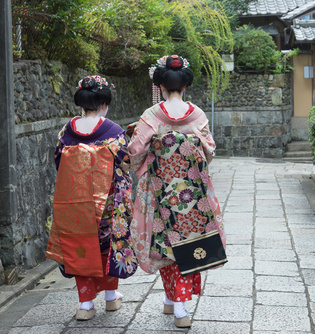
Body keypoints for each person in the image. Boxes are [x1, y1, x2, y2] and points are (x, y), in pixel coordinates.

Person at [128, 55, 226, 328]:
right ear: (185, 86)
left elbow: (135, 150)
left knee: (163, 242)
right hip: (191, 191)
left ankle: (175, 303)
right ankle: (178, 306)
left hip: (158, 190)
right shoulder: (196, 114)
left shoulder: (151, 115)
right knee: (189, 239)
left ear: (159, 85)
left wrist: (148, 164)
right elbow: (209, 150)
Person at [46, 75, 137, 321]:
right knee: (108, 244)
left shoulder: (67, 131)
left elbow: (58, 162)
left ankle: (85, 304)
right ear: (104, 103)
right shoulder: (114, 131)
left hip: (76, 201)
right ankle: (111, 297)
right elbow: (126, 165)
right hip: (106, 203)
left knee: (79, 245)